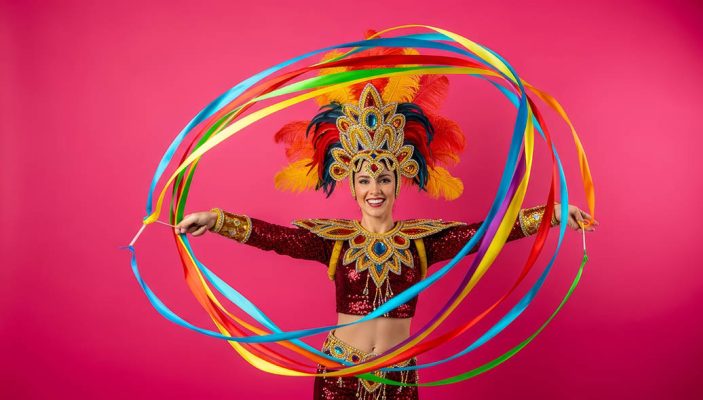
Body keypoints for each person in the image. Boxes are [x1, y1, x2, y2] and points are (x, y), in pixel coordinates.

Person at [175, 74, 597, 399]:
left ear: (399, 182)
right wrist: (216, 219)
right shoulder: (335, 240)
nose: (374, 189)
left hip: (399, 377)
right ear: (351, 185)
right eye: (364, 180)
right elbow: (278, 238)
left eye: (383, 178)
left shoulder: (423, 241)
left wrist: (552, 215)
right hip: (339, 372)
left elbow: (486, 234)